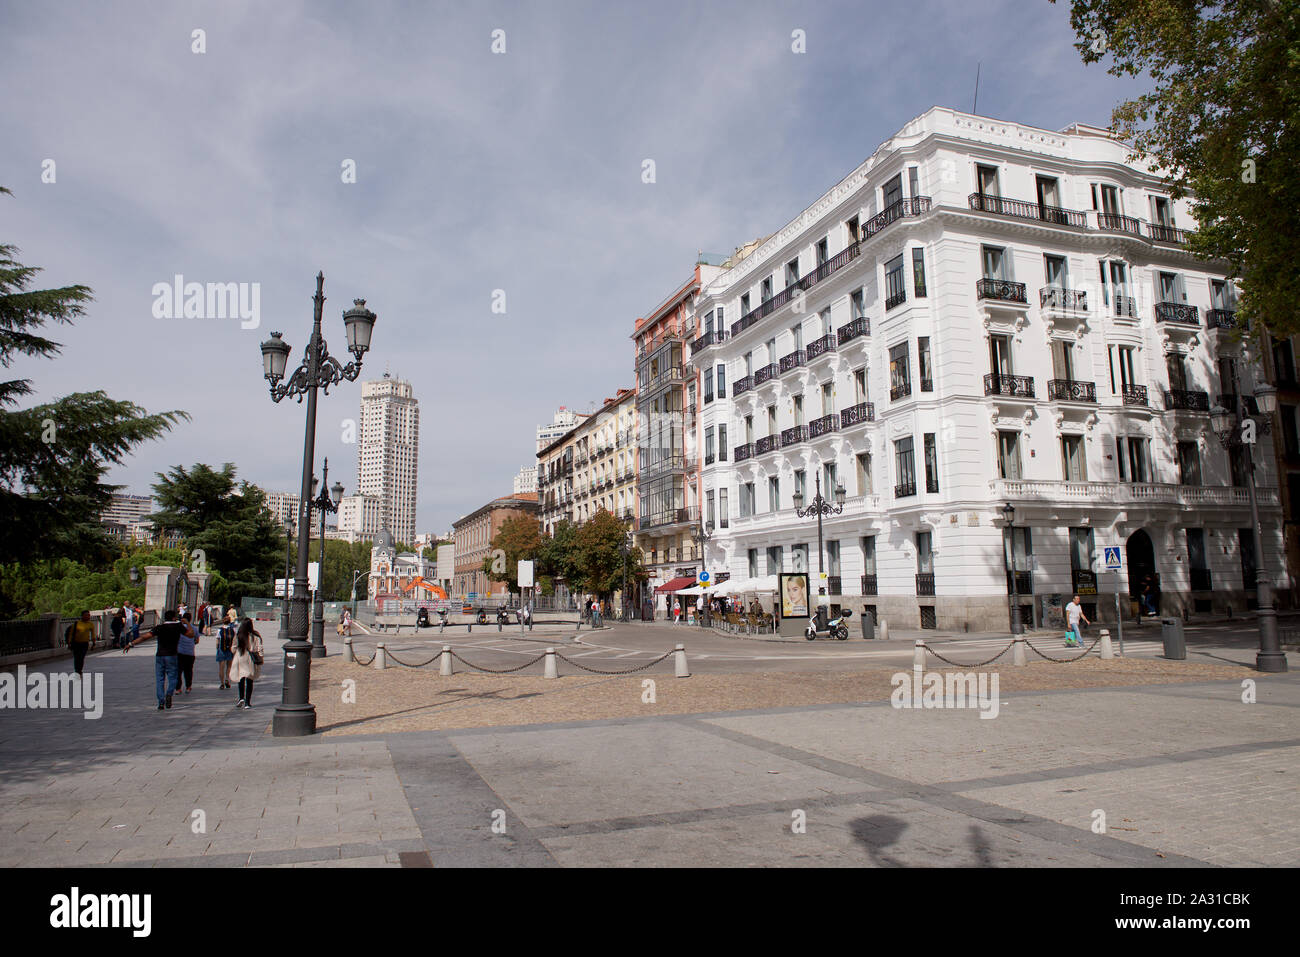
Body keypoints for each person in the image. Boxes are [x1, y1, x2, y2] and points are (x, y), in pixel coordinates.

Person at [124, 609, 184, 710]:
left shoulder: (159, 627)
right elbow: (191, 634)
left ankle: (161, 702)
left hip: (160, 656)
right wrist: (187, 623)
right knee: (173, 678)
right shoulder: (178, 627)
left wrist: (131, 643)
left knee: (160, 679)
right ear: (174, 618)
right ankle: (169, 693)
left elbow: (144, 637)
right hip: (172, 655)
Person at [229, 618, 263, 709]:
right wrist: (261, 657)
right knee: (250, 680)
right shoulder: (255, 636)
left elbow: (233, 648)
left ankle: (241, 697)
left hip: (240, 657)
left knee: (241, 678)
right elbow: (259, 648)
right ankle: (248, 702)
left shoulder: (239, 635)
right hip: (250, 659)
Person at [66, 610, 95, 675]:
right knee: (77, 657)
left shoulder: (90, 624)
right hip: (76, 643)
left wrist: (93, 643)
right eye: (86, 615)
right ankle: (77, 670)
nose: (88, 616)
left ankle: (79, 670)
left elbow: (93, 634)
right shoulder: (77, 624)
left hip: (84, 644)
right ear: (82, 616)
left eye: (89, 615)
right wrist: (69, 643)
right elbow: (71, 634)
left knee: (81, 657)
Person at [177, 612, 198, 693]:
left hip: (179, 652)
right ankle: (188, 687)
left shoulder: (179, 628)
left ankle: (178, 688)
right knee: (188, 671)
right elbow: (197, 640)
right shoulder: (194, 628)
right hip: (190, 653)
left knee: (178, 671)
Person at [215, 610, 236, 689]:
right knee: (229, 666)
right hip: (229, 649)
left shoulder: (219, 630)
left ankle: (222, 683)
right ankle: (227, 679)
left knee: (221, 667)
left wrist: (217, 648)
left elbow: (217, 641)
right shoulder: (232, 630)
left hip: (221, 649)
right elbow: (234, 640)